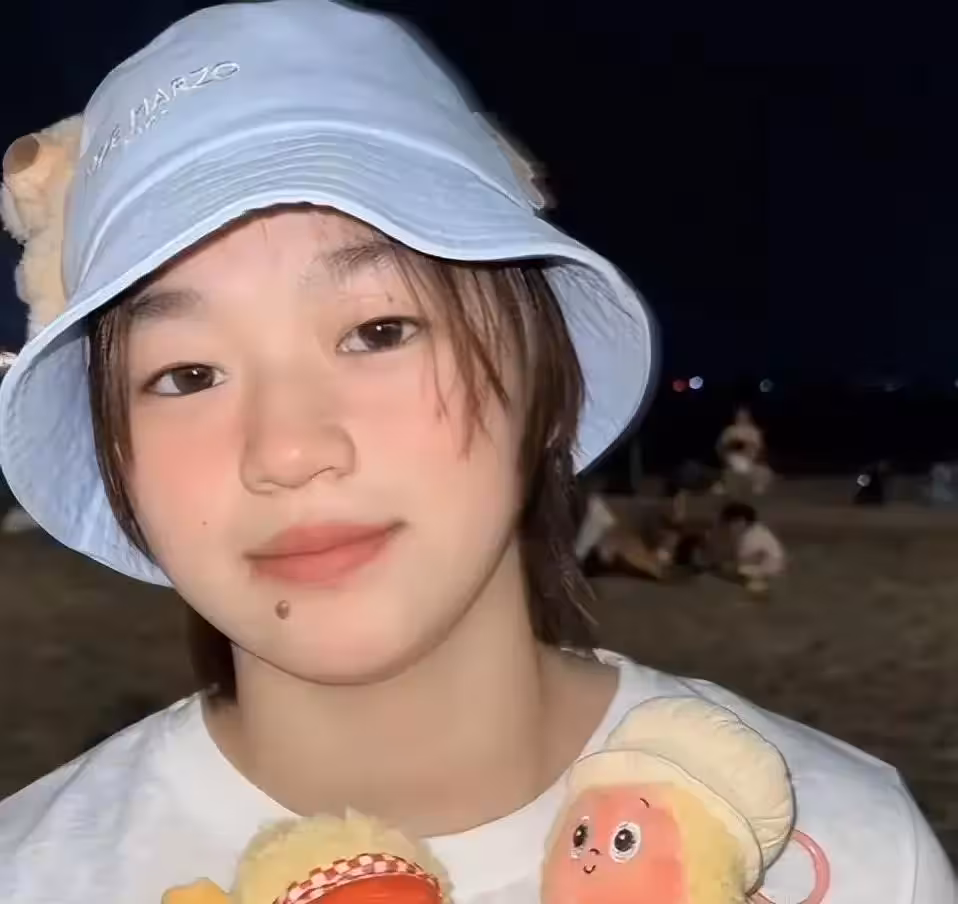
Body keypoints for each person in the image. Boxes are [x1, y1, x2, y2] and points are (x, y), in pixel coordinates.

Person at [0, 3, 952, 902]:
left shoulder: (852, 857)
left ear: (544, 375)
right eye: (187, 375)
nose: (288, 450)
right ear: (117, 456)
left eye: (378, 331)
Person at [716, 502, 786, 596]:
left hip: (763, 576)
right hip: (772, 573)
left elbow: (743, 563)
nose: (728, 528)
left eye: (729, 523)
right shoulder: (758, 530)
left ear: (740, 521)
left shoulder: (751, 540)